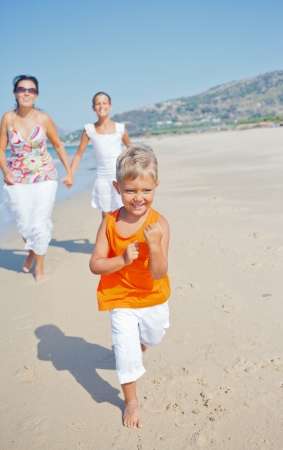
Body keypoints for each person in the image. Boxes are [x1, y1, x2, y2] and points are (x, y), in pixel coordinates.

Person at [89, 144, 170, 428]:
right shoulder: (109, 223)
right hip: (119, 299)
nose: (138, 198)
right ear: (117, 187)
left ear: (155, 186)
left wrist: (155, 246)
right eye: (130, 190)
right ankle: (131, 401)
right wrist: (122, 259)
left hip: (152, 297)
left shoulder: (159, 223)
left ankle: (141, 343)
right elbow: (95, 264)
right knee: (125, 354)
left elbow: (159, 273)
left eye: (146, 191)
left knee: (154, 336)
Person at [0, 75, 74, 282]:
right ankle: (32, 252)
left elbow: (59, 145)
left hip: (44, 176)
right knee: (23, 222)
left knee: (39, 223)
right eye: (22, 89)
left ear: (36, 95)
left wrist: (69, 172)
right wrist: (5, 171)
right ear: (15, 93)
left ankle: (39, 267)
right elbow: (1, 148)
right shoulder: (8, 118)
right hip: (16, 179)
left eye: (31, 90)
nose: (26, 93)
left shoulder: (44, 119)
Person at [71, 92, 131, 219]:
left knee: (123, 211)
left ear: (111, 106)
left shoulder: (120, 128)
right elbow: (78, 154)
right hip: (102, 178)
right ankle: (107, 239)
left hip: (120, 176)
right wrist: (70, 174)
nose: (101, 106)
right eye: (98, 103)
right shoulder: (89, 129)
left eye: (104, 103)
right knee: (107, 215)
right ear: (93, 107)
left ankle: (123, 238)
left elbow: (130, 149)